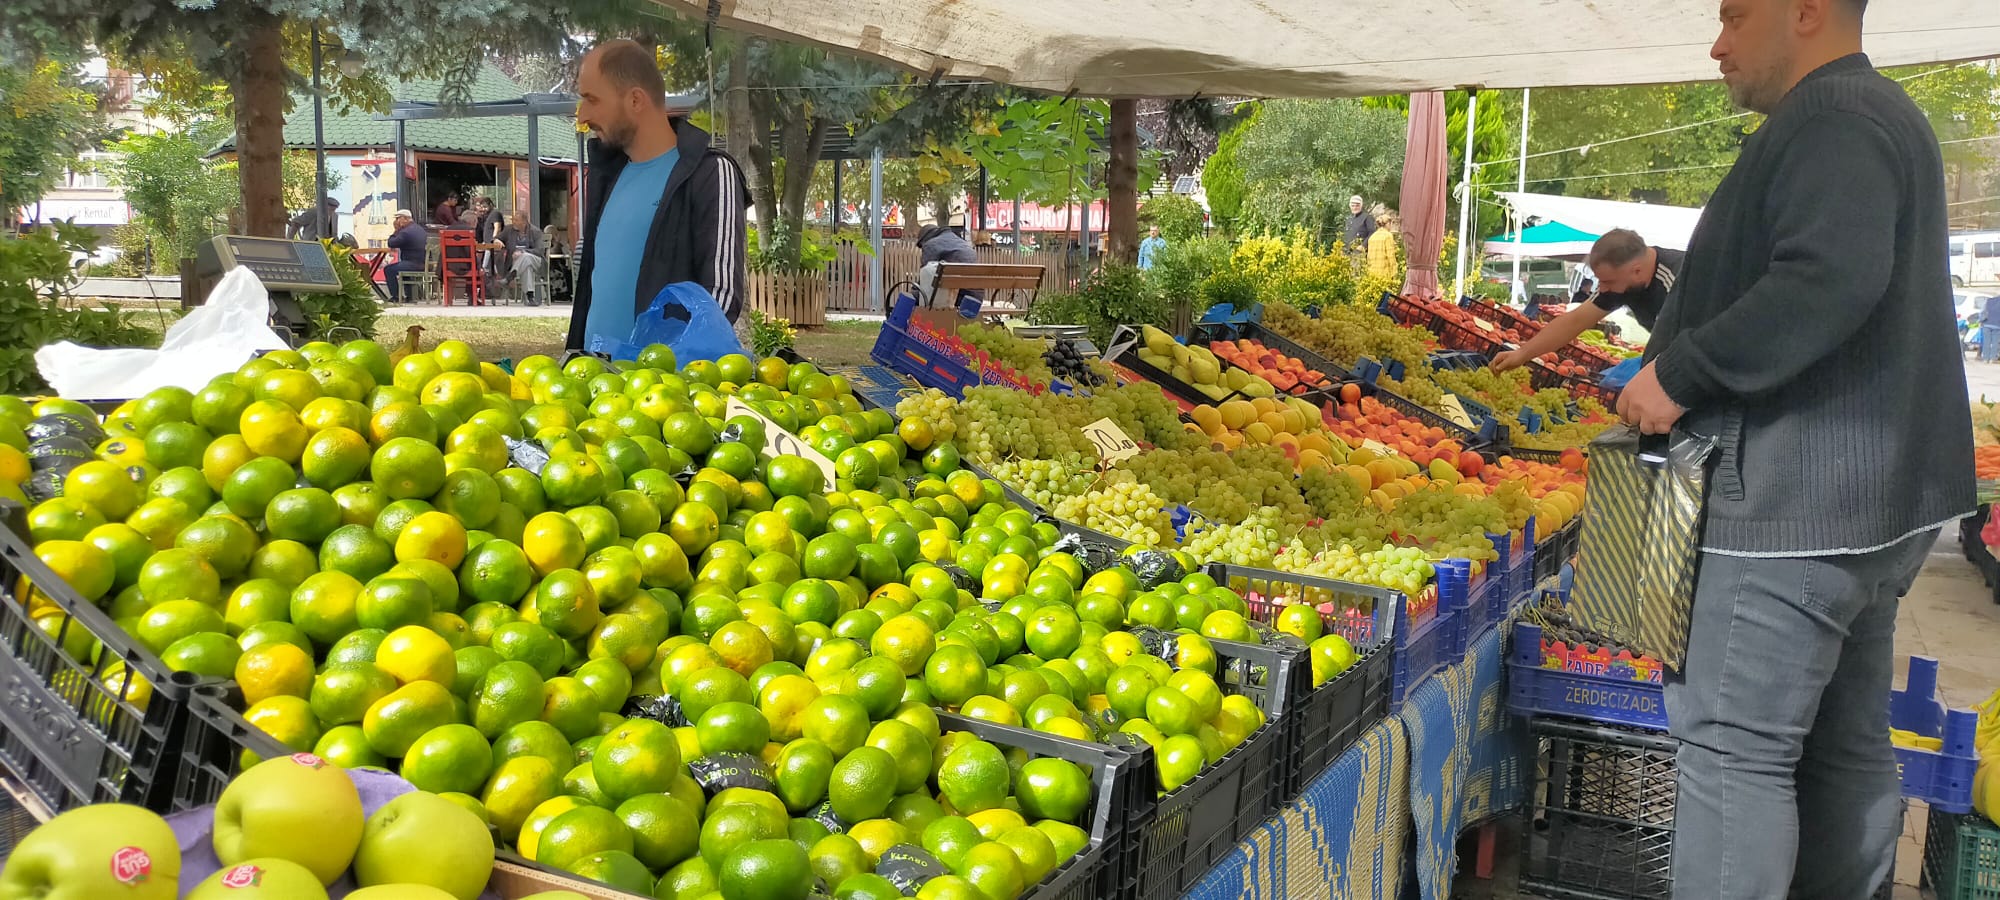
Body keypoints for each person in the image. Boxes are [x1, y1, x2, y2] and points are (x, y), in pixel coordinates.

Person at [1616, 1, 1974, 896]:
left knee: (1732, 752)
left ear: (1807, 11)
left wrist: (1679, 373)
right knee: (1843, 748)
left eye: (1737, 16)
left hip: (1787, 505)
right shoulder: (1874, 114)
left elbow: (1826, 277)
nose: (1718, 42)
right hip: (1867, 510)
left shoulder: (1835, 119)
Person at [568, 38, 750, 351]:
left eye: (592, 99)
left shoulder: (709, 173)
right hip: (593, 387)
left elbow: (720, 297)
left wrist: (670, 371)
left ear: (636, 100)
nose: (582, 116)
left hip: (661, 390)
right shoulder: (607, 175)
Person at [1490, 229, 1682, 371]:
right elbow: (1575, 321)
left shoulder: (1678, 281)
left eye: (1607, 281)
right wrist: (1521, 354)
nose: (1603, 289)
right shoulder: (1623, 280)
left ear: (1637, 270)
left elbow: (1689, 346)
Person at [916, 224, 979, 308]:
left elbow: (926, 276)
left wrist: (914, 289)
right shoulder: (963, 243)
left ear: (924, 240)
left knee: (913, 296)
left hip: (954, 298)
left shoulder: (931, 244)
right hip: (974, 297)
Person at [498, 212, 546, 306]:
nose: (513, 222)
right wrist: (497, 240)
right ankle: (530, 297)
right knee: (527, 266)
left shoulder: (535, 231)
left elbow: (539, 251)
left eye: (516, 220)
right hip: (518, 262)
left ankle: (509, 278)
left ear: (524, 222)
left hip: (536, 261)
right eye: (513, 220)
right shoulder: (509, 229)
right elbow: (498, 238)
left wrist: (523, 252)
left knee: (526, 257)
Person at [384, 209, 428, 304]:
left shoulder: (405, 232)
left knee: (388, 269)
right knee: (402, 266)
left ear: (405, 219)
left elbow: (391, 243)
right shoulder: (420, 229)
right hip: (422, 263)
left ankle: (395, 296)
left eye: (398, 218)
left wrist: (396, 230)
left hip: (412, 264)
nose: (396, 221)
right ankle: (409, 296)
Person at [1366, 207, 1400, 280]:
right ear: (1387, 223)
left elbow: (1369, 257)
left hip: (1372, 274)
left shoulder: (1372, 237)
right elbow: (1390, 256)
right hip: (1384, 273)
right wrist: (1394, 272)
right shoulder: (1388, 236)